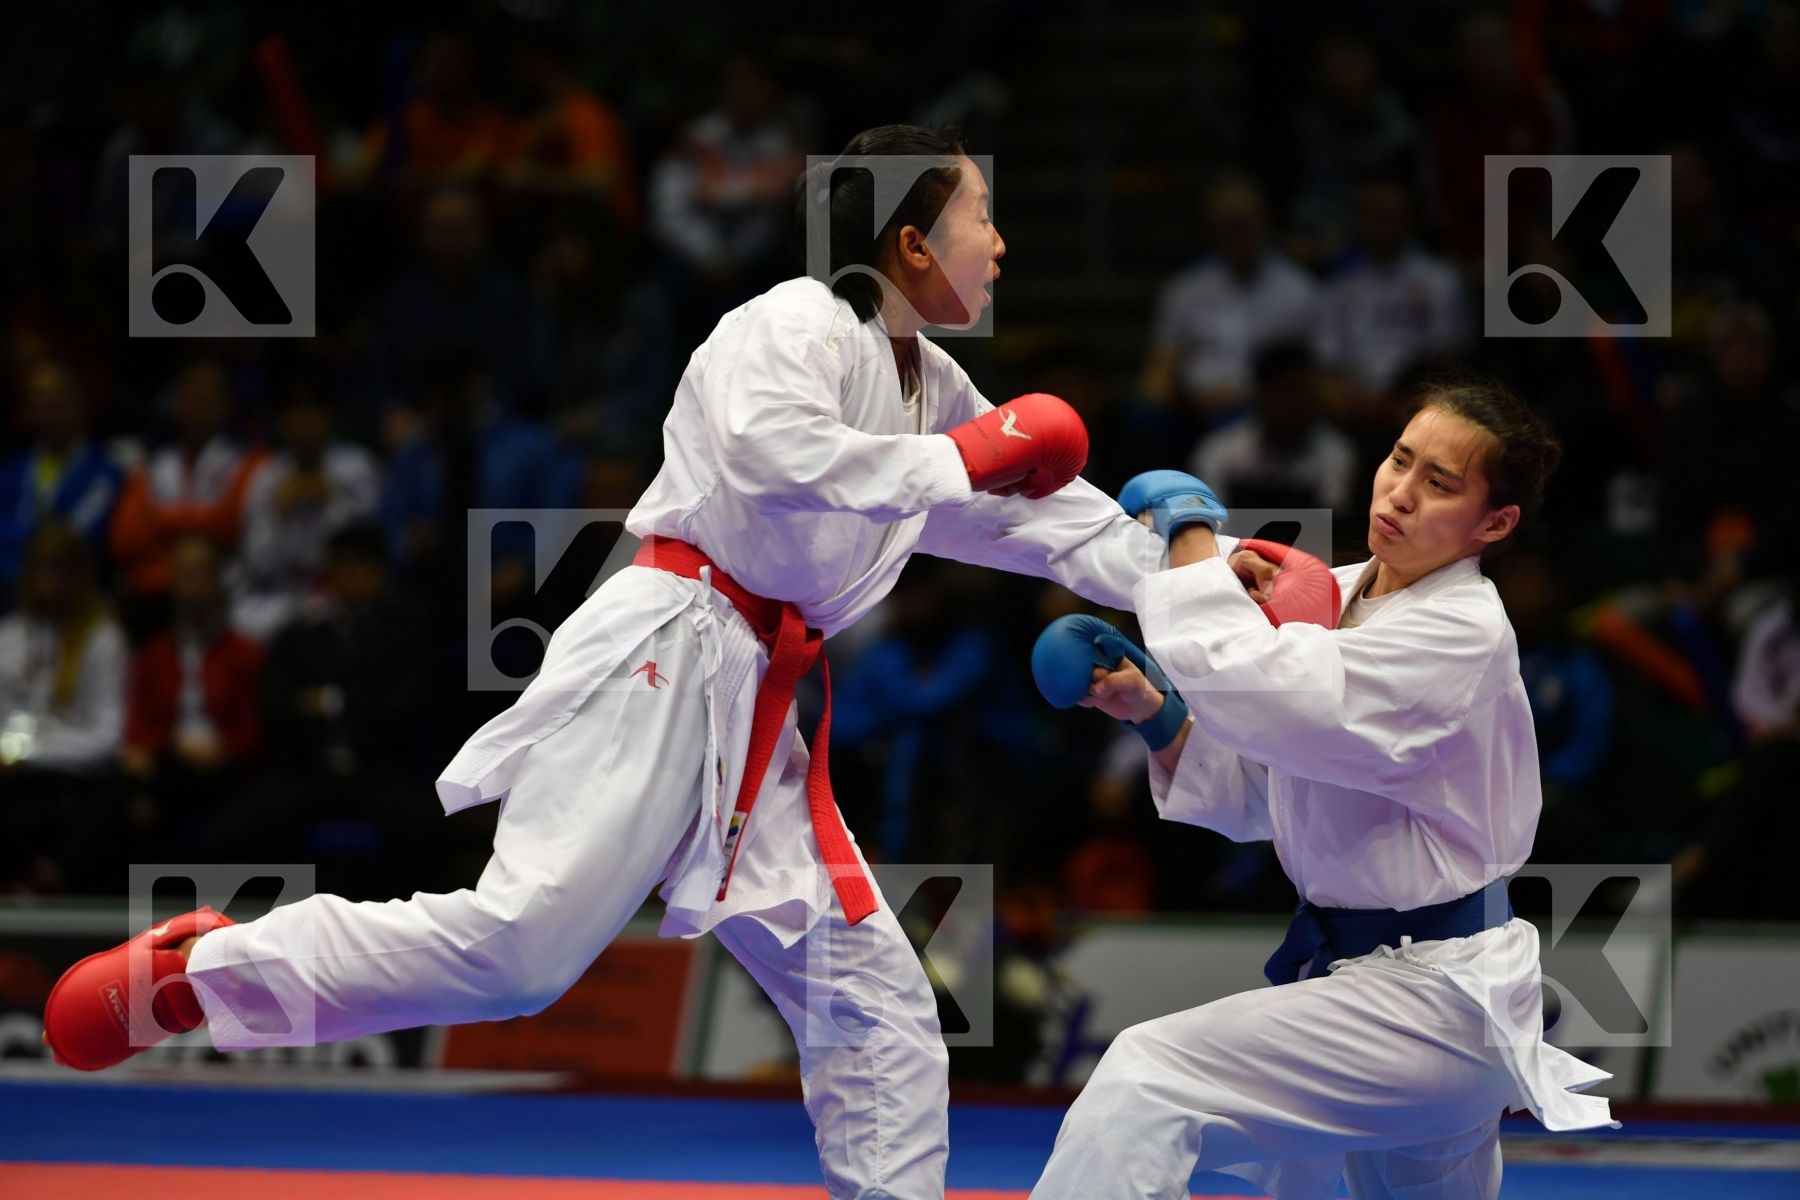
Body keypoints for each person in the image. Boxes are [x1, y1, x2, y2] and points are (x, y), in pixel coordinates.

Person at [45, 125, 1164, 1200]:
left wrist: (1203, 568)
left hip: (763, 702)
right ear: (912, 242)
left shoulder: (930, 385)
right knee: (522, 953)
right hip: (671, 644)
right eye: (982, 215)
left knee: (871, 996)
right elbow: (776, 455)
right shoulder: (790, 325)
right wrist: (964, 461)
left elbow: (1036, 516)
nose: (1001, 241)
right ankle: (207, 972)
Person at [1028, 378, 1615, 1199]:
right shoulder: (1331, 595)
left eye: (1440, 483)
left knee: (1148, 1076)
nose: (1401, 494)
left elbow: (1272, 696)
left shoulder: (1463, 632)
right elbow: (1282, 790)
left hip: (1437, 998)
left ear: (1496, 522)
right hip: (1377, 986)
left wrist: (1193, 539)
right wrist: (1156, 713)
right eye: (1400, 461)